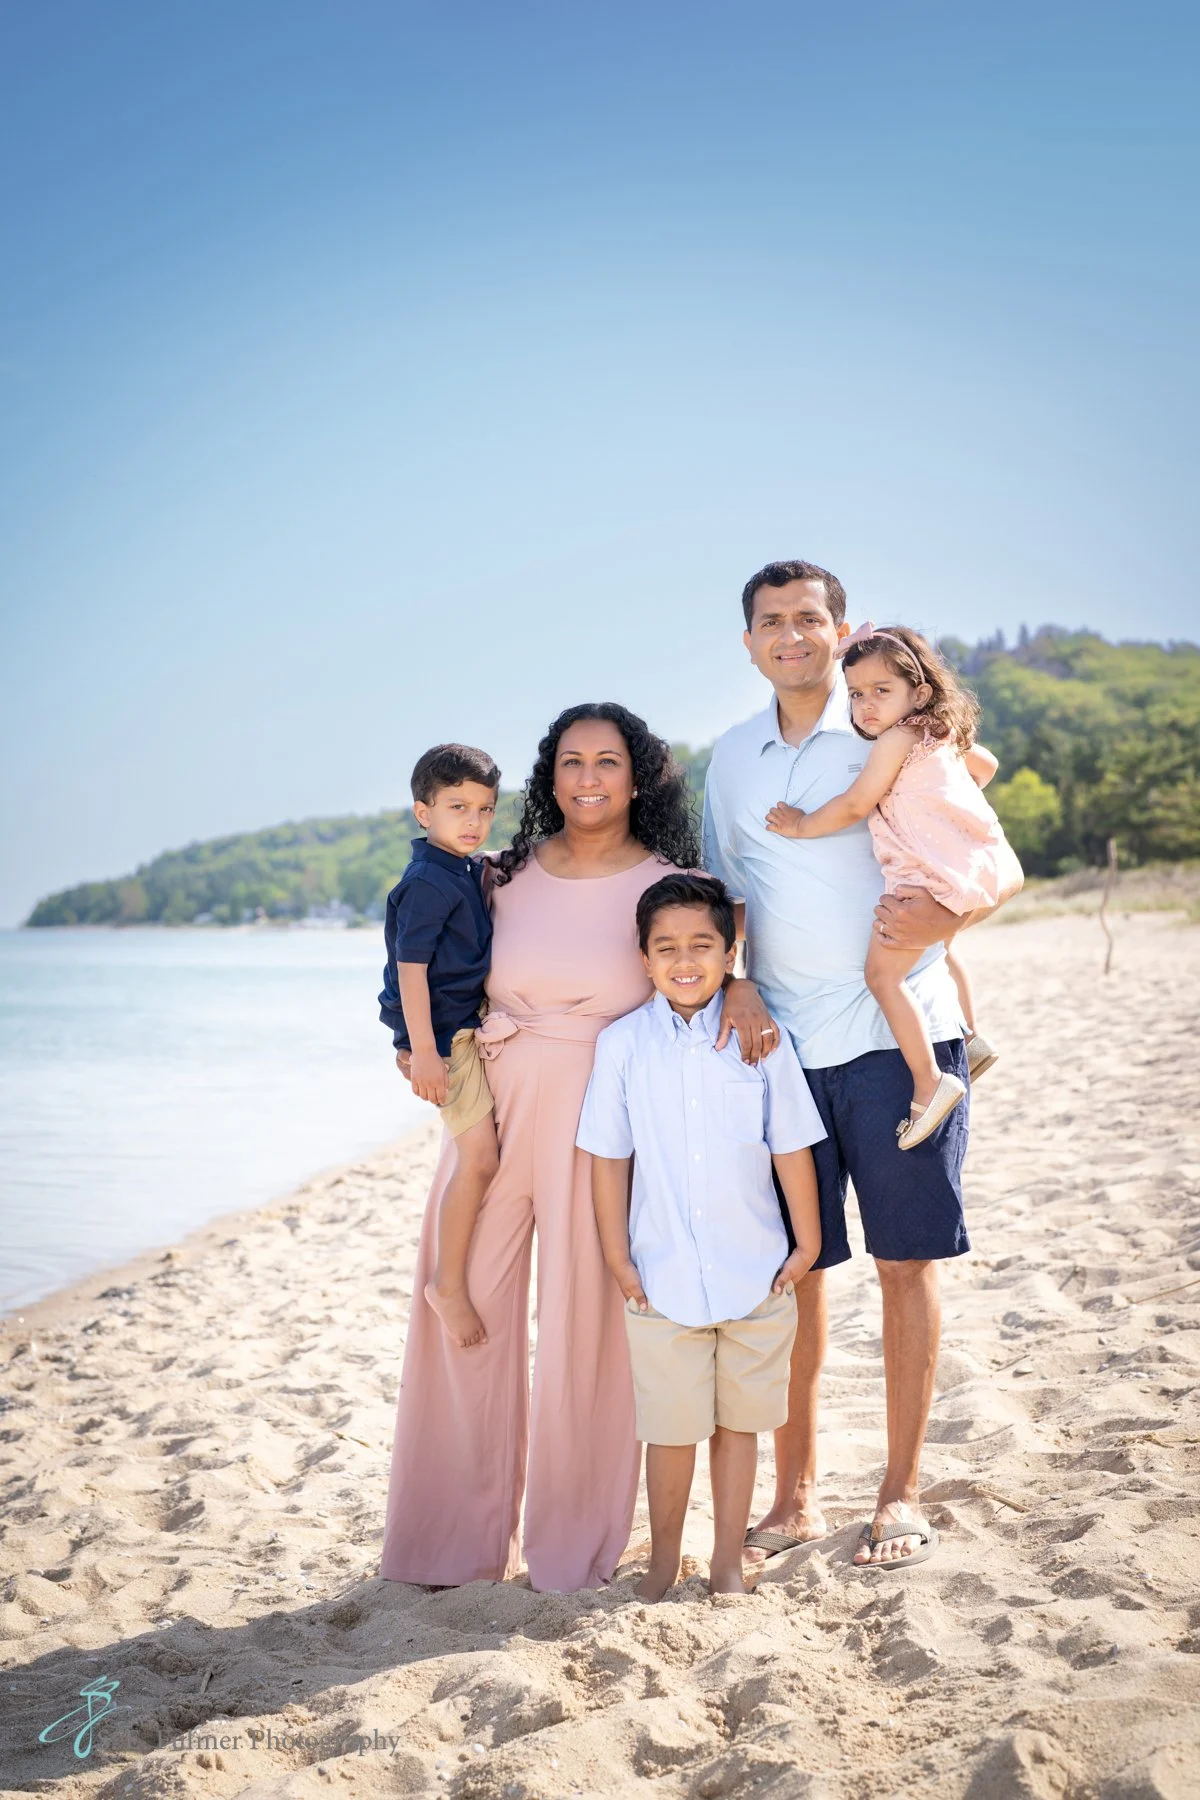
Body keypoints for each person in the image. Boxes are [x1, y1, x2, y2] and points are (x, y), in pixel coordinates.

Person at [380, 704, 778, 1592]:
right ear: (548, 776)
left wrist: (745, 986)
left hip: (605, 1126)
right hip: (495, 1105)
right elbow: (420, 959)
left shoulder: (669, 876)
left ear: (638, 776)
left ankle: (572, 1552)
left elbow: (704, 951)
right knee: (461, 1313)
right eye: (570, 762)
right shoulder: (499, 874)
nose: (588, 778)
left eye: (607, 761)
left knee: (587, 1334)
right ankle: (450, 1547)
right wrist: (408, 1045)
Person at [702, 561, 1022, 1569]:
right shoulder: (731, 759)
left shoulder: (899, 730)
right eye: (771, 623)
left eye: (809, 618)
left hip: (900, 1037)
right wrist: (737, 984)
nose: (791, 635)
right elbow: (724, 894)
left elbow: (995, 860)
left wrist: (954, 911)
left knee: (905, 1265)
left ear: (840, 631)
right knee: (798, 1272)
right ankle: (794, 1500)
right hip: (784, 1050)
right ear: (747, 643)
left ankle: (900, 1492)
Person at [579, 873, 825, 1600]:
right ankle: (661, 1562)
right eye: (667, 948)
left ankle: (724, 1560)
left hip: (754, 1272)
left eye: (702, 945)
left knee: (740, 1425)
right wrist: (618, 1257)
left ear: (729, 951)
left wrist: (806, 1245)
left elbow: (791, 1143)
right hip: (661, 1279)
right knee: (672, 1429)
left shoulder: (758, 1037)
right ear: (644, 957)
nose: (685, 961)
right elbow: (606, 1155)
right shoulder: (623, 1045)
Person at [765, 623, 1021, 1149]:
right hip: (959, 869)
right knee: (943, 948)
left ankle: (930, 1082)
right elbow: (988, 765)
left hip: (923, 878)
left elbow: (856, 803)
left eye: (882, 692)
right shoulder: (939, 736)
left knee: (882, 977)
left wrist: (799, 824)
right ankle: (970, 1039)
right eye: (856, 694)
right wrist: (941, 801)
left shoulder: (897, 738)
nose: (865, 705)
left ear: (919, 693)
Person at [377, 744, 501, 1349]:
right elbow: (410, 969)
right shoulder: (429, 880)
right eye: (458, 807)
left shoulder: (463, 867)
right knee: (478, 1160)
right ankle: (447, 1283)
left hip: (460, 1027)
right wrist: (425, 1052)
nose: (473, 822)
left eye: (484, 809)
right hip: (444, 1038)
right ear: (423, 812)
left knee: (477, 1155)